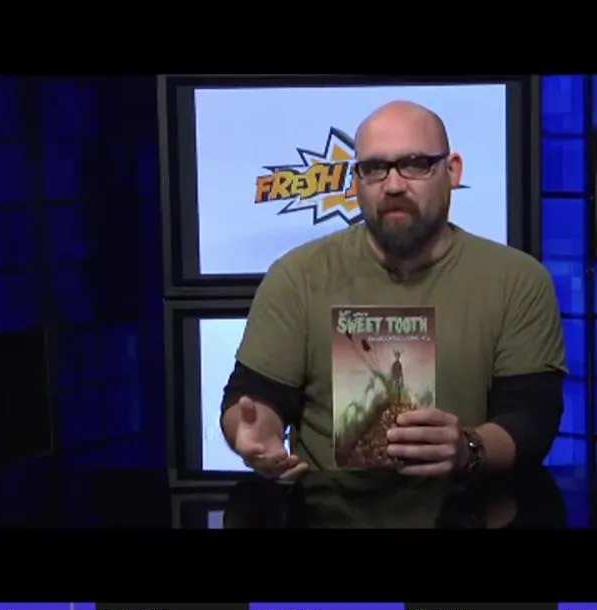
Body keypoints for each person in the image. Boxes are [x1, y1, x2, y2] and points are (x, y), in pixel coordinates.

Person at [220, 100, 566, 499]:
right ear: (356, 181)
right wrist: (255, 434)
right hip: (326, 512)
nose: (394, 185)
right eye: (374, 168)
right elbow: (252, 398)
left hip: (469, 510)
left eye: (415, 164)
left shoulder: (518, 280)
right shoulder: (297, 275)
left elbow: (531, 416)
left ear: (453, 171)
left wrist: (467, 449)